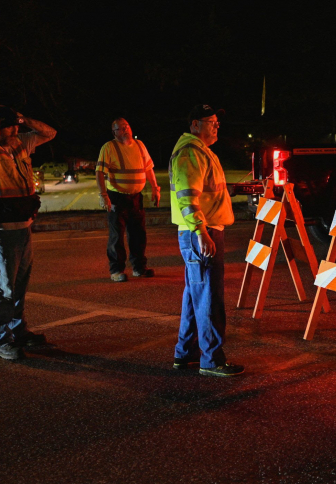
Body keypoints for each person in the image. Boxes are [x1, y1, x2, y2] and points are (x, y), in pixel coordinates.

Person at [0, 105, 56, 360]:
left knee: (18, 286)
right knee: (1, 287)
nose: (15, 129)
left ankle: (18, 332)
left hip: (21, 225)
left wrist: (23, 118)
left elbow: (49, 133)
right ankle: (0, 340)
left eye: (16, 124)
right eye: (10, 125)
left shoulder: (20, 144)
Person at [170, 104, 243, 377]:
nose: (216, 125)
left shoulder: (200, 152)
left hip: (201, 230)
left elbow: (204, 192)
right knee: (209, 298)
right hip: (202, 232)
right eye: (210, 121)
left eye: (216, 121)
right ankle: (211, 360)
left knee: (195, 295)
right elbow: (187, 197)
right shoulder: (191, 153)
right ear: (194, 125)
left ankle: (185, 353)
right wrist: (200, 232)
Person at [96, 118, 161, 282]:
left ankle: (139, 268)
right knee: (117, 236)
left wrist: (155, 188)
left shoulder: (140, 145)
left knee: (139, 234)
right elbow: (99, 173)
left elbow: (148, 168)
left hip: (136, 197)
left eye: (127, 126)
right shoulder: (109, 147)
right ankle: (116, 270)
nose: (125, 130)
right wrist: (103, 195)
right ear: (114, 132)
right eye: (120, 128)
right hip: (117, 198)